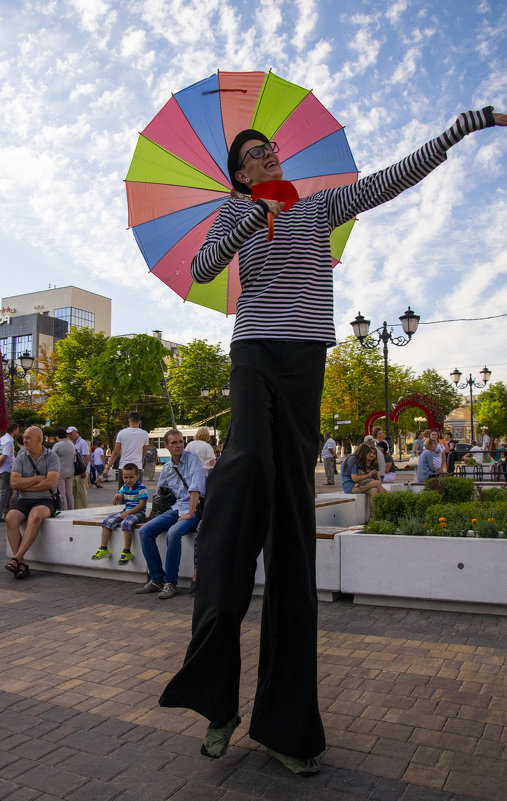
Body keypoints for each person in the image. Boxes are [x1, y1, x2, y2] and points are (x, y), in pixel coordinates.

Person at [158, 108, 507, 776]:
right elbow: (204, 270)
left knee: (290, 534)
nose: (272, 154)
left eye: (273, 147)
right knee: (242, 482)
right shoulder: (234, 216)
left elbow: (390, 179)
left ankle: (286, 725)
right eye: (258, 151)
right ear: (238, 171)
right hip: (254, 352)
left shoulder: (316, 209)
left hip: (303, 365)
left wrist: (464, 126)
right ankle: (215, 696)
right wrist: (244, 216)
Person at [135, 429, 205, 600]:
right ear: (166, 446)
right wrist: (150, 515)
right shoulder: (166, 468)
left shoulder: (192, 459)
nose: (178, 445)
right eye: (174, 443)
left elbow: (196, 487)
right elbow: (160, 494)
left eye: (180, 442)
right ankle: (156, 578)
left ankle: (170, 583)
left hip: (194, 508)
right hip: (176, 508)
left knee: (174, 533)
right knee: (145, 531)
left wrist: (190, 512)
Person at [5, 426, 59, 579]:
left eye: (29, 437)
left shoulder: (51, 457)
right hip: (24, 499)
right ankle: (21, 563)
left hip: (46, 499)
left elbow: (50, 483)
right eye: (25, 437)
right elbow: (14, 483)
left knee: (35, 516)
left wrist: (26, 484)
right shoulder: (21, 456)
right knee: (10, 518)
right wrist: (38, 478)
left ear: (39, 440)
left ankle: (17, 558)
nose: (24, 440)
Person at [91, 463, 148, 565]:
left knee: (126, 523)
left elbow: (142, 505)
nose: (128, 480)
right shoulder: (124, 487)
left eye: (131, 477)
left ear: (137, 476)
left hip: (138, 513)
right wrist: (116, 498)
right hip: (126, 511)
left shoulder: (141, 488)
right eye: (125, 477)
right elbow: (114, 503)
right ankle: (103, 548)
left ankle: (127, 551)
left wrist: (128, 512)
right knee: (107, 521)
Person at [103, 412, 149, 488]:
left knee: (122, 494)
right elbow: (144, 452)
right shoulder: (144, 434)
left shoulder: (122, 433)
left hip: (123, 467)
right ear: (139, 421)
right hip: (137, 467)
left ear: (129, 421)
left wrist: (107, 468)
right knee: (137, 494)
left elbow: (115, 453)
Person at [52, 427, 76, 510]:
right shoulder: (71, 444)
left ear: (57, 436)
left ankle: (64, 509)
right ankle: (71, 508)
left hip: (61, 472)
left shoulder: (57, 445)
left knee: (62, 493)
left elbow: (52, 457)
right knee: (69, 492)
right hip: (71, 470)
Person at [66, 426, 90, 509]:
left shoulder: (82, 442)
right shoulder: (71, 443)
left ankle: (83, 510)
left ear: (76, 432)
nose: (69, 435)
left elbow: (86, 456)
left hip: (81, 471)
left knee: (81, 493)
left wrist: (84, 470)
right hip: (74, 471)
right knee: (73, 492)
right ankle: (75, 509)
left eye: (71, 433)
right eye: (68, 434)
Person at [0, 422, 19, 521]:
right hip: (6, 470)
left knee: (8, 492)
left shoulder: (3, 439)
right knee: (4, 492)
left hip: (6, 469)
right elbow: (4, 456)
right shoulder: (8, 441)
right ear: (15, 430)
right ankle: (2, 513)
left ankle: (7, 512)